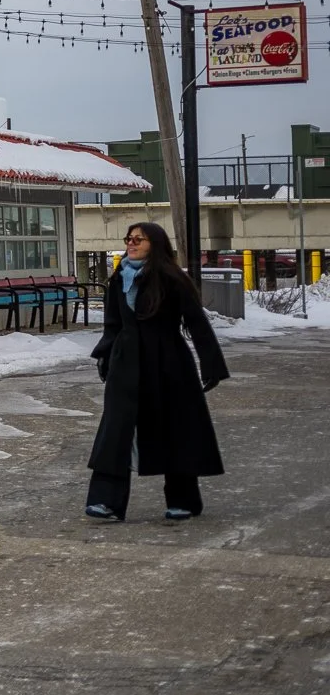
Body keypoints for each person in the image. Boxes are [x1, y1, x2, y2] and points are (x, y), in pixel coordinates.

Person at [85, 221, 228, 522]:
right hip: (126, 365)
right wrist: (105, 356)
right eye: (129, 239)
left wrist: (211, 365)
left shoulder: (172, 279)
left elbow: (196, 323)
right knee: (116, 432)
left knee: (175, 430)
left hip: (169, 363)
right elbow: (113, 325)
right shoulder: (117, 279)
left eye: (140, 239)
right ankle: (106, 501)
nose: (132, 244)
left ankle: (184, 501)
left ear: (156, 244)